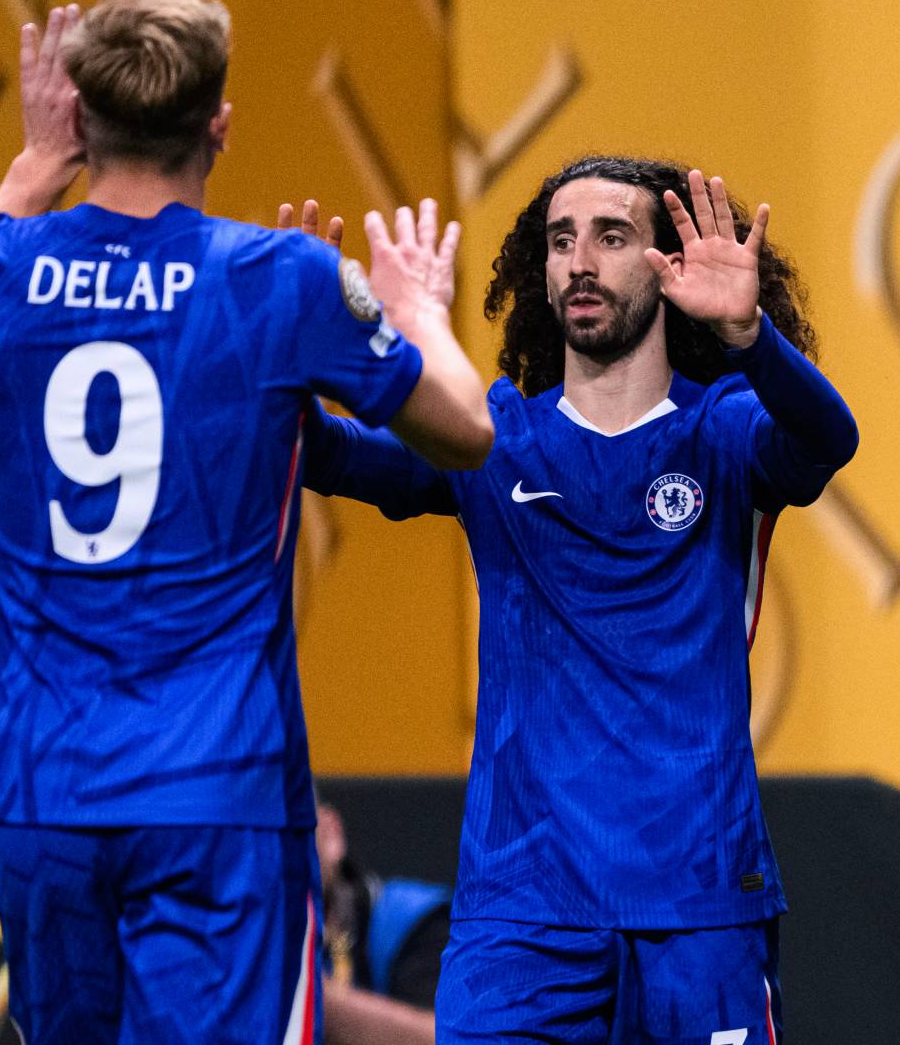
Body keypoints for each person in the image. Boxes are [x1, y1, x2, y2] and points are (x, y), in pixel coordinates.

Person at [0, 0, 491, 1042]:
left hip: (40, 777)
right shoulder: (278, 278)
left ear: (82, 117)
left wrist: (34, 164)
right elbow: (465, 433)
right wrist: (416, 313)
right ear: (218, 123)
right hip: (214, 782)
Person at [297, 156, 857, 1042]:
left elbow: (829, 439)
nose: (580, 263)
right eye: (561, 242)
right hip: (522, 914)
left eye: (611, 237)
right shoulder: (492, 439)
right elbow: (324, 454)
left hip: (700, 902)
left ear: (668, 266)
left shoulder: (725, 427)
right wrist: (303, 342)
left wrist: (753, 338)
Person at [317, 803, 450, 1045]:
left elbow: (451, 1038)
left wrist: (313, 999)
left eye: (289, 837)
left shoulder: (410, 917)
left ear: (330, 833)